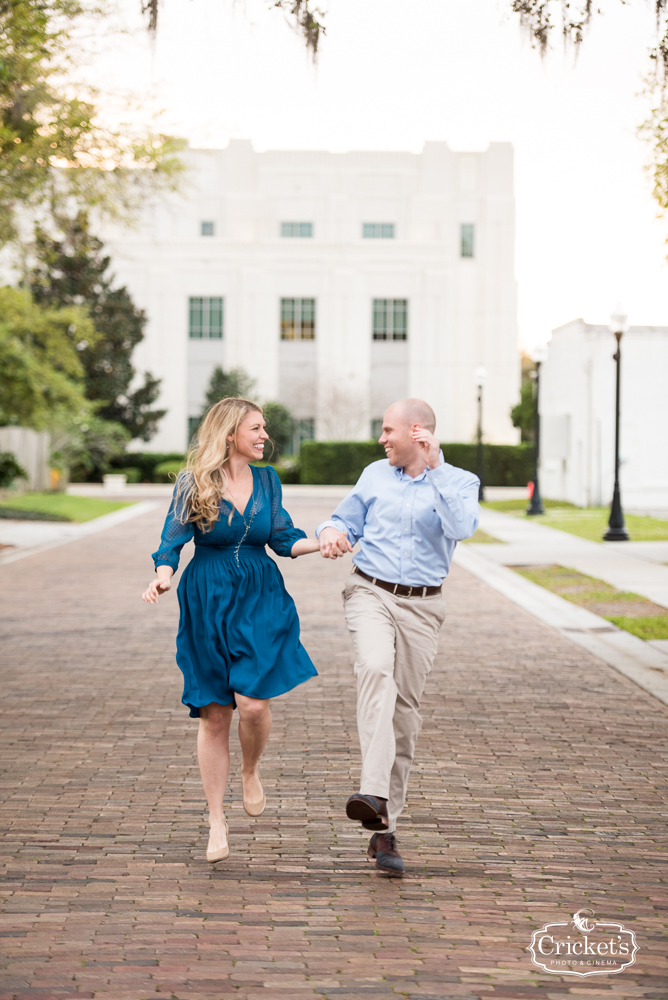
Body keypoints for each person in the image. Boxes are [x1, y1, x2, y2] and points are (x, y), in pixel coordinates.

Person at [142, 397, 320, 863]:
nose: (265, 436)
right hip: (208, 597)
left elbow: (282, 537)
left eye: (264, 428)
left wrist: (322, 544)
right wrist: (163, 575)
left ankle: (251, 770)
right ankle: (216, 819)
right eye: (256, 428)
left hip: (259, 596)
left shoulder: (268, 480)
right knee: (216, 713)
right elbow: (171, 541)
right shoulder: (192, 482)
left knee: (254, 705)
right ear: (229, 434)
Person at [317, 398, 480, 876]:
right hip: (370, 591)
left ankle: (384, 829)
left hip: (424, 605)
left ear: (418, 432)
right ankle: (372, 791)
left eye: (389, 431)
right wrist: (330, 532)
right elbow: (343, 518)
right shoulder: (374, 474)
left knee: (404, 717)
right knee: (374, 670)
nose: (382, 439)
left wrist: (436, 471)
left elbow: (462, 527)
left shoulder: (460, 482)